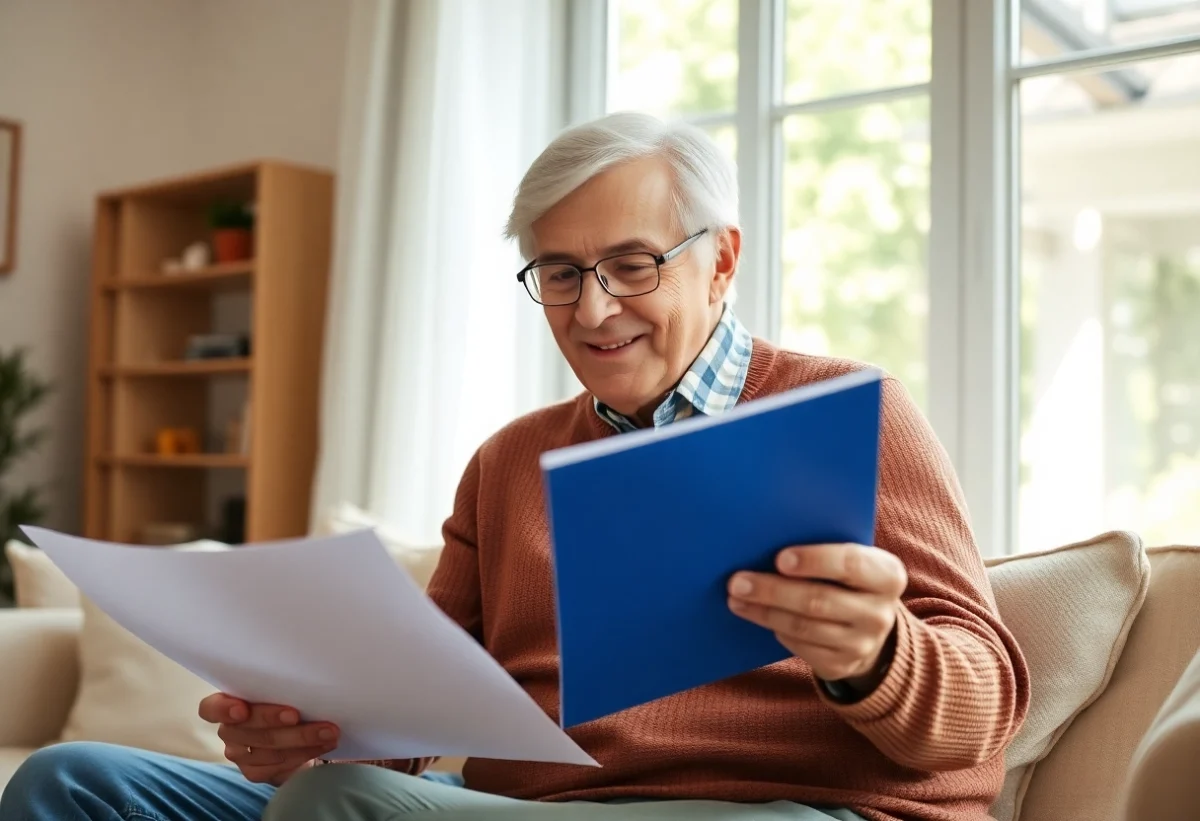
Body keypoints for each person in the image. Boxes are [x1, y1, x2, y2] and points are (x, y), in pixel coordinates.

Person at [0, 112, 1029, 821]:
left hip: (782, 809)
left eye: (632, 264)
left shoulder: (847, 412)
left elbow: (984, 710)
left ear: (720, 260)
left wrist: (875, 654)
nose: (592, 309)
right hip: (524, 806)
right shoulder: (509, 461)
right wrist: (310, 733)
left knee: (340, 806)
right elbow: (406, 724)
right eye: (561, 272)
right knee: (72, 780)